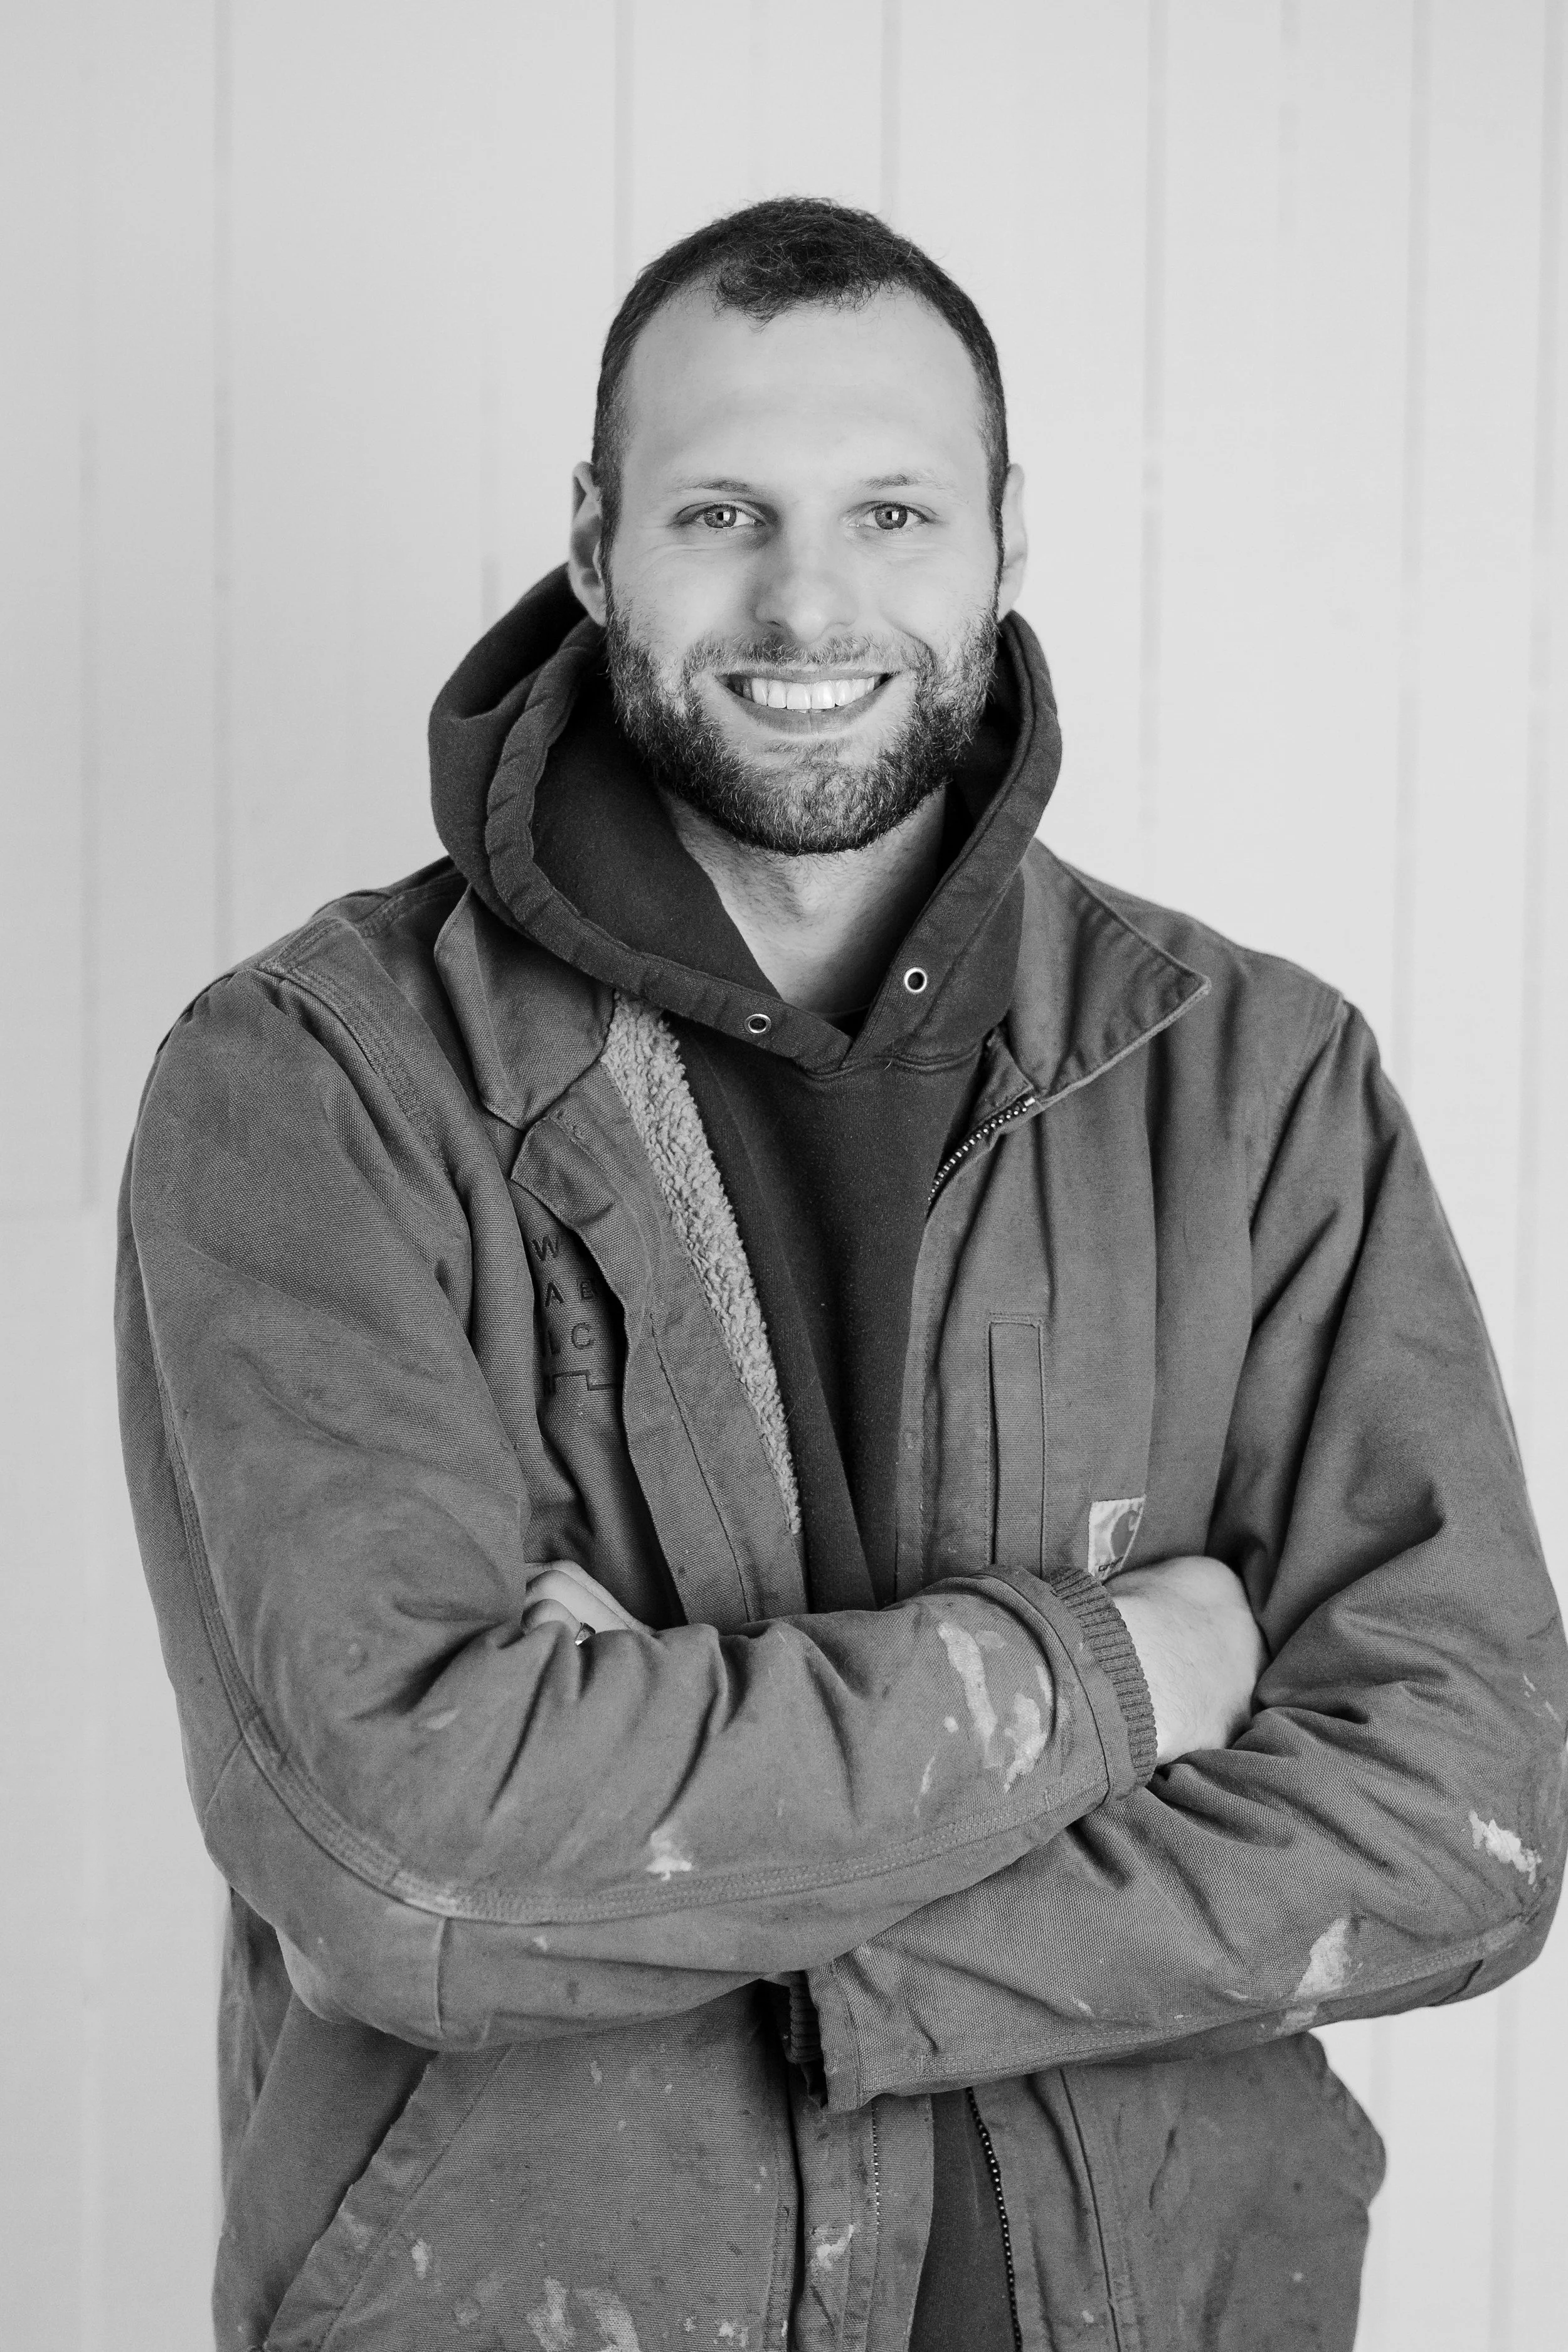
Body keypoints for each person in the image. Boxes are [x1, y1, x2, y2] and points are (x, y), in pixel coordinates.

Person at [117, 198, 1565, 2352]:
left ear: (1002, 539)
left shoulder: (1250, 1078)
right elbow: (413, 1860)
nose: (813, 599)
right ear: (598, 544)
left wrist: (748, 1899)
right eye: (723, 511)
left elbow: (1460, 1810)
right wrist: (1124, 1686)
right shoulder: (313, 1085)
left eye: (893, 509)